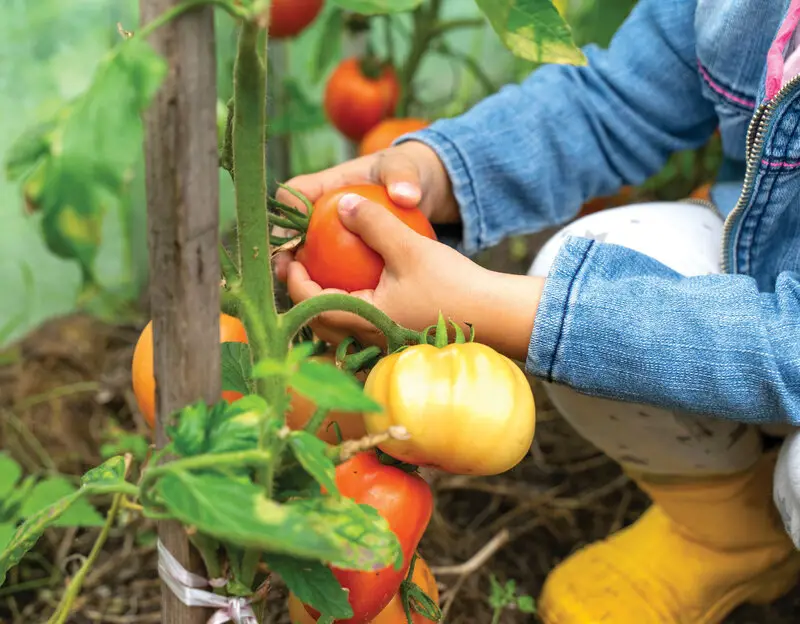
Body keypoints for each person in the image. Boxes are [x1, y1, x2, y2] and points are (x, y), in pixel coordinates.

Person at [274, 1, 800, 622]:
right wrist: (441, 170)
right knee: (588, 263)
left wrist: (517, 311)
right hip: (764, 263)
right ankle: (728, 535)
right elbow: (615, 101)